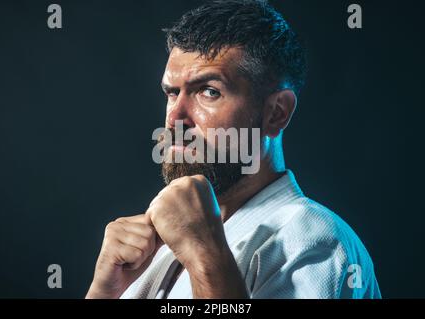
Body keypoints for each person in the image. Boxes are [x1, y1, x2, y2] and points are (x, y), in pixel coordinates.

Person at [86, 0, 381, 299]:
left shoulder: (316, 242)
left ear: (277, 112)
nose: (174, 118)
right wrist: (104, 292)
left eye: (209, 92)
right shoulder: (156, 250)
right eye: (172, 93)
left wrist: (206, 258)